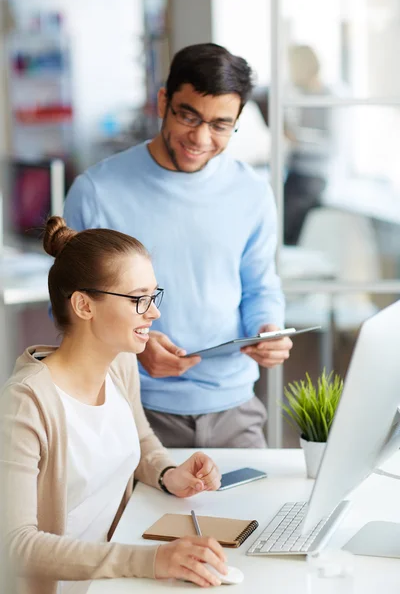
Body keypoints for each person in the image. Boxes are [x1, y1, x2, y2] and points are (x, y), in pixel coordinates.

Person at [64, 43, 293, 449]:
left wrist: (267, 328)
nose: (201, 138)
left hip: (236, 409)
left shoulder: (252, 192)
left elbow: (260, 287)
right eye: (189, 115)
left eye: (221, 124)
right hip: (134, 409)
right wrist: (130, 350)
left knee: (257, 515)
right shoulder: (97, 192)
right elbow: (67, 306)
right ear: (163, 101)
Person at [0, 216, 228, 594]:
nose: (153, 313)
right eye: (139, 299)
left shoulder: (119, 362)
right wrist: (149, 561)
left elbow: (139, 440)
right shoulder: (26, 402)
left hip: (116, 579)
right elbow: (15, 544)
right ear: (84, 306)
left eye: (154, 296)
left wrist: (168, 472)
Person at [284, 45, 338, 245]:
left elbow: (331, 145)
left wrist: (297, 140)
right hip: (294, 173)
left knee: (287, 234)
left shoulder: (329, 98)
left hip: (312, 177)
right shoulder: (299, 94)